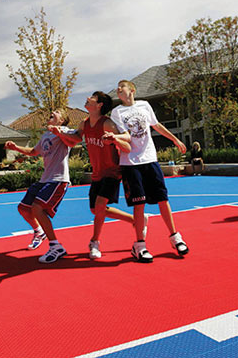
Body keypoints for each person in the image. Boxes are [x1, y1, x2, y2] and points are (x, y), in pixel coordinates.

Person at [49, 92, 147, 260]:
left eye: (92, 97)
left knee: (100, 205)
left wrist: (114, 139)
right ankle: (134, 220)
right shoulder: (84, 123)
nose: (87, 98)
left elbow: (127, 146)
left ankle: (94, 242)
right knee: (96, 209)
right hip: (97, 173)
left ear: (99, 105)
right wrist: (60, 134)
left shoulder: (107, 123)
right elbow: (76, 138)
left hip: (112, 171)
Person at [111, 80, 189, 263]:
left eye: (121, 86)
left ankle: (175, 237)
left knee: (163, 199)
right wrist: (114, 138)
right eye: (117, 88)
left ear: (132, 90)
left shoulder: (145, 105)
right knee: (139, 203)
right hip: (130, 163)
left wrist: (175, 139)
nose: (118, 89)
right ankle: (139, 245)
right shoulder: (117, 112)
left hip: (150, 159)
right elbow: (127, 136)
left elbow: (156, 125)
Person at [4, 108, 71, 264]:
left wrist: (59, 131)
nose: (52, 112)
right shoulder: (46, 135)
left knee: (37, 208)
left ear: (61, 120)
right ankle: (39, 232)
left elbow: (74, 140)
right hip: (45, 179)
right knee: (23, 208)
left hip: (58, 179)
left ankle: (56, 246)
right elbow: (34, 151)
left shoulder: (65, 131)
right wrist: (16, 148)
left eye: (57, 112)